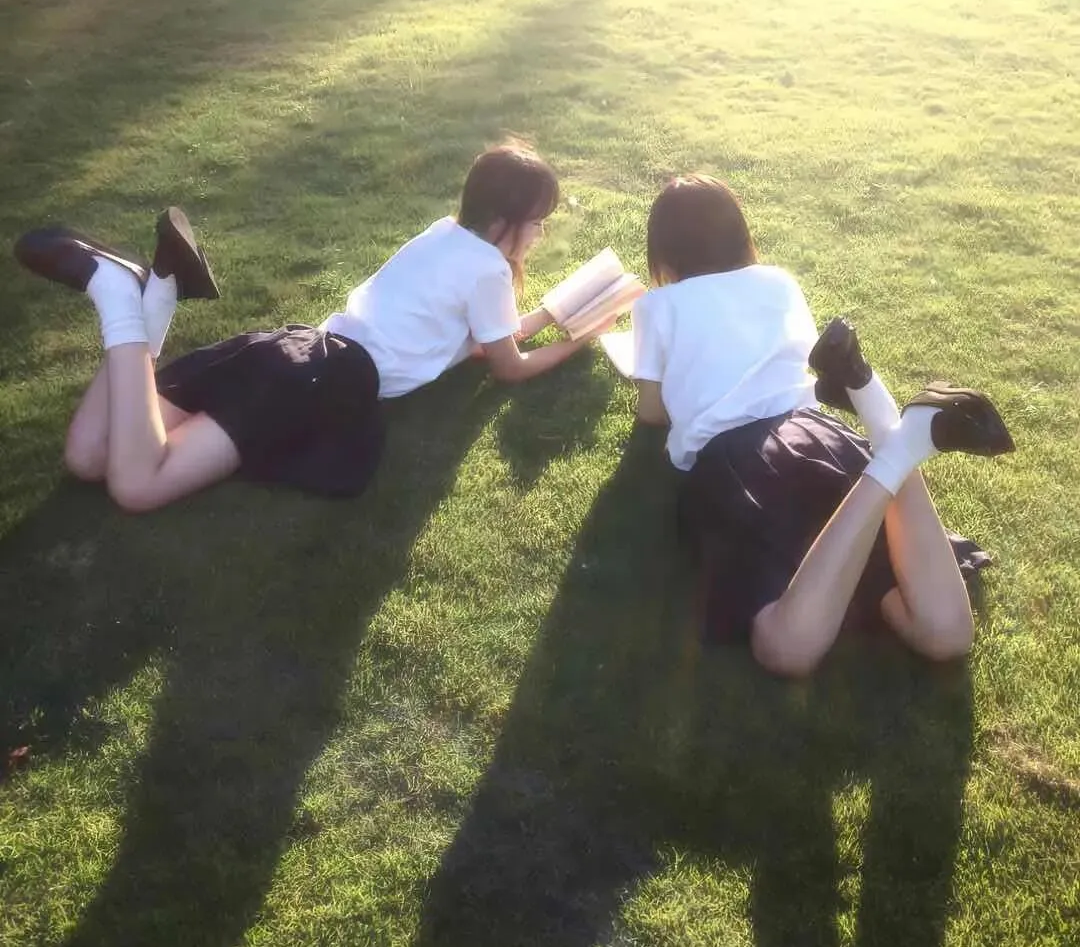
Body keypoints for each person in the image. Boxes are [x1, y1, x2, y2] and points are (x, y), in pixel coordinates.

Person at [15, 142, 593, 512]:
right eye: (537, 222)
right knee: (137, 487)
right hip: (318, 382)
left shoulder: (444, 234)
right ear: (504, 221)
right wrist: (579, 339)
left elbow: (489, 342)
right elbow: (508, 366)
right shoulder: (489, 269)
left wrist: (550, 313)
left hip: (289, 349)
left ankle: (157, 294)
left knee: (88, 456)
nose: (541, 234)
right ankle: (118, 296)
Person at [630, 174, 1014, 678]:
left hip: (736, 464)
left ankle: (899, 444)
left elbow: (652, 413)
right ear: (739, 235)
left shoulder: (656, 305)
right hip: (818, 435)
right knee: (945, 635)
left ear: (664, 253)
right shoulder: (778, 281)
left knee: (786, 649)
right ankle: (890, 427)